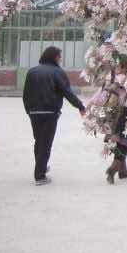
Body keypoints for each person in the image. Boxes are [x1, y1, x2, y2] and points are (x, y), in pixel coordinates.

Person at [22, 46, 86, 185]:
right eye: (59, 56)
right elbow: (67, 92)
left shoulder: (32, 71)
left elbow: (26, 93)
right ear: (55, 57)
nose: (60, 59)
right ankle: (40, 176)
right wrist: (80, 106)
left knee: (39, 141)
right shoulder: (58, 72)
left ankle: (42, 167)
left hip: (34, 113)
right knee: (45, 144)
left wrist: (29, 110)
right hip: (50, 112)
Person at [103, 56, 127, 184]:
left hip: (123, 110)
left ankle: (123, 171)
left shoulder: (123, 78)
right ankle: (114, 168)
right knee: (126, 141)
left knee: (120, 139)